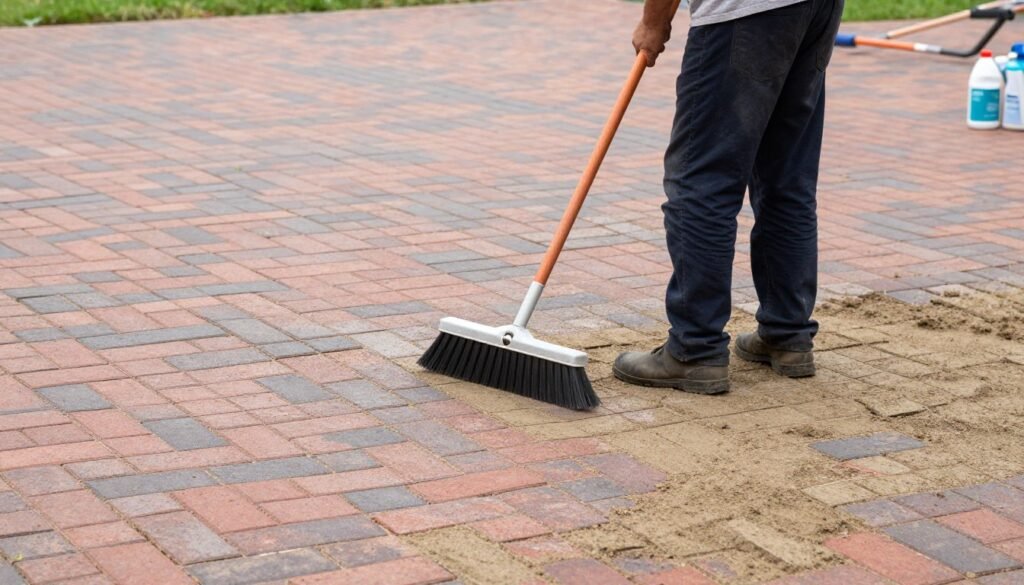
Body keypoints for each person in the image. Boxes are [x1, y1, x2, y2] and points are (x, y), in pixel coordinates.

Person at [613, 0, 844, 394]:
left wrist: (654, 21)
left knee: (700, 179)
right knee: (786, 177)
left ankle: (695, 350)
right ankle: (787, 335)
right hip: (816, 9)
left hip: (742, 12)